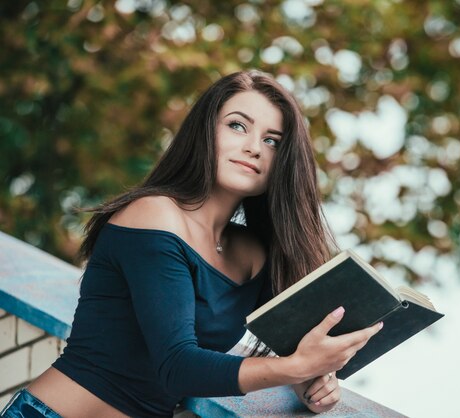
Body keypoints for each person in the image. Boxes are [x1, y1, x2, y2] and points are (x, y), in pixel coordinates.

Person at [0, 70, 382, 418]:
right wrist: (295, 367)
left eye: (272, 141)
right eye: (237, 126)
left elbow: (289, 343)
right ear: (204, 132)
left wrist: (311, 380)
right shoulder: (153, 215)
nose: (254, 148)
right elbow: (177, 367)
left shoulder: (252, 253)